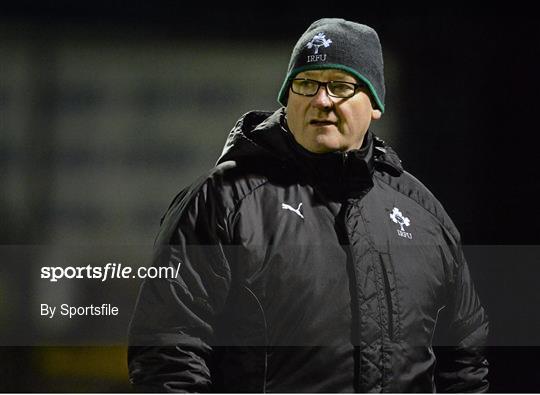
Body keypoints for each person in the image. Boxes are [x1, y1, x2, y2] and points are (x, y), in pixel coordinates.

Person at [127, 18, 489, 392]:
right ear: (288, 98)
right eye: (306, 84)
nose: (321, 100)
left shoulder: (423, 214)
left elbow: (465, 360)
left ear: (375, 104)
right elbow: (168, 353)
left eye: (340, 85)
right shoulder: (223, 201)